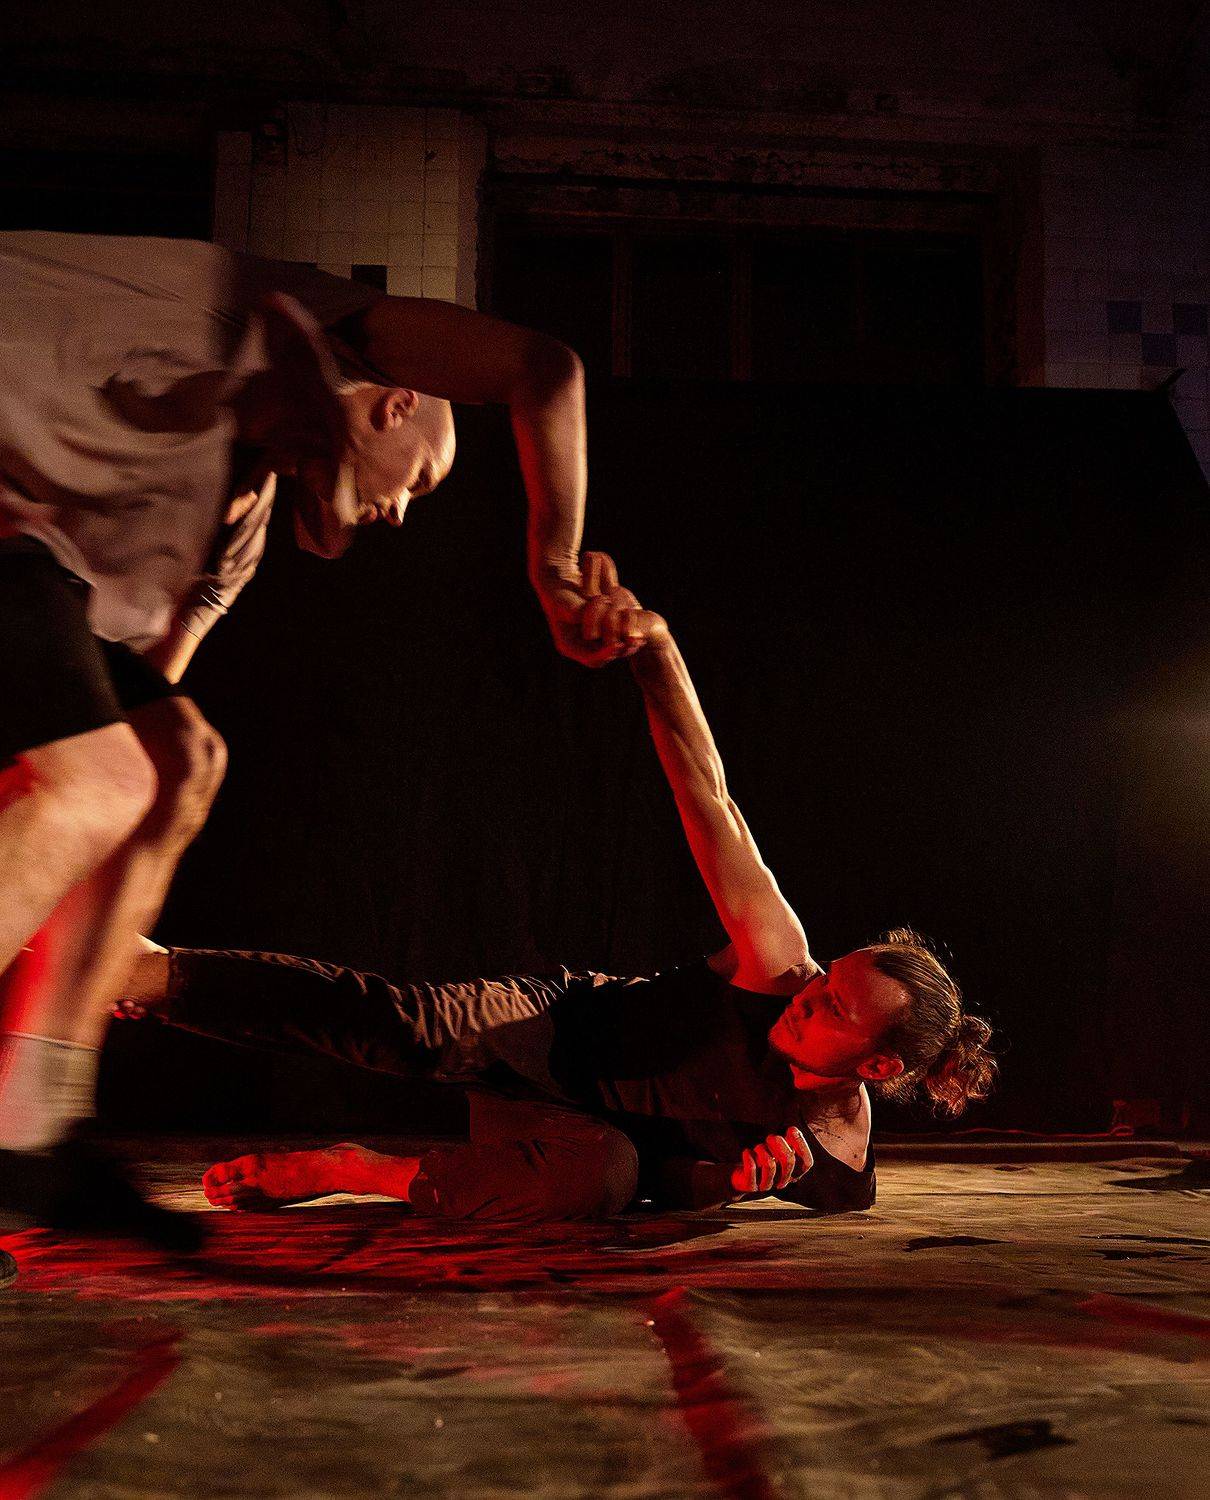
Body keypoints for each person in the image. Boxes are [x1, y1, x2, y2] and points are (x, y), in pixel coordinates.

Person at [0, 230, 626, 1257]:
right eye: (418, 481)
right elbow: (541, 366)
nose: (402, 513)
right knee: (99, 780)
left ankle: (31, 1127)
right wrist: (555, 568)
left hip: (30, 557)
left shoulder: (228, 528)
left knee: (177, 762)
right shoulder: (311, 325)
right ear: (395, 403)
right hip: (10, 522)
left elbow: (140, 688)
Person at [119, 556, 997, 1222]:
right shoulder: (776, 968)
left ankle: (349, 1168)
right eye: (828, 976)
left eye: (836, 1007)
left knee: (608, 1180)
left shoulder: (836, 1175)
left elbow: (665, 1185)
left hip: (567, 1139)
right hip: (548, 1032)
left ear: (878, 1067)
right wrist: (656, 652)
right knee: (404, 1026)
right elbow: (712, 801)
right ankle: (151, 974)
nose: (810, 994)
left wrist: (728, 1185)